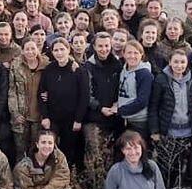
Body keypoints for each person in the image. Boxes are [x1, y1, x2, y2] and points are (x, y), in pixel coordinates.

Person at [150, 49, 192, 189]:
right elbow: (154, 106)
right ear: (170, 62)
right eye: (176, 62)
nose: (179, 65)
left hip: (187, 131)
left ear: (187, 64)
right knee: (165, 165)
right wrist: (155, 130)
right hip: (168, 131)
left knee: (181, 165)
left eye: (182, 62)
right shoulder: (161, 79)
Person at [38, 37, 89, 169]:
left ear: (68, 50)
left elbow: (84, 97)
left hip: (71, 119)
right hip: (53, 118)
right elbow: (41, 93)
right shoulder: (49, 69)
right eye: (56, 50)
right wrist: (45, 116)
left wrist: (78, 119)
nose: (59, 53)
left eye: (62, 49)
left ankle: (68, 177)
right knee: (50, 149)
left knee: (69, 150)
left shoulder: (78, 70)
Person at [84, 32, 124, 166]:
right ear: (94, 47)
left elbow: (122, 87)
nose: (104, 49)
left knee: (112, 157)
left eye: (107, 45)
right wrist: (100, 107)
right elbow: (86, 94)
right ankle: (94, 185)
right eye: (100, 46)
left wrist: (117, 104)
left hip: (114, 117)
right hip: (94, 118)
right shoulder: (88, 66)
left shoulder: (118, 65)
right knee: (94, 157)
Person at [9, 38, 49, 158]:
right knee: (21, 151)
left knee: (36, 151)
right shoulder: (16, 65)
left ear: (38, 49)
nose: (30, 52)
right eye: (27, 49)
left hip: (39, 116)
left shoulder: (46, 64)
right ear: (22, 50)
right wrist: (15, 113)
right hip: (21, 116)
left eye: (33, 48)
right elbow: (12, 91)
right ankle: (21, 175)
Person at [117, 40, 155, 137]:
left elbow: (142, 101)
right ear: (124, 54)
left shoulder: (144, 74)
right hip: (125, 118)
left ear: (141, 55)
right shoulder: (124, 70)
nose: (132, 56)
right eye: (129, 53)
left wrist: (120, 110)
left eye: (136, 53)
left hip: (138, 121)